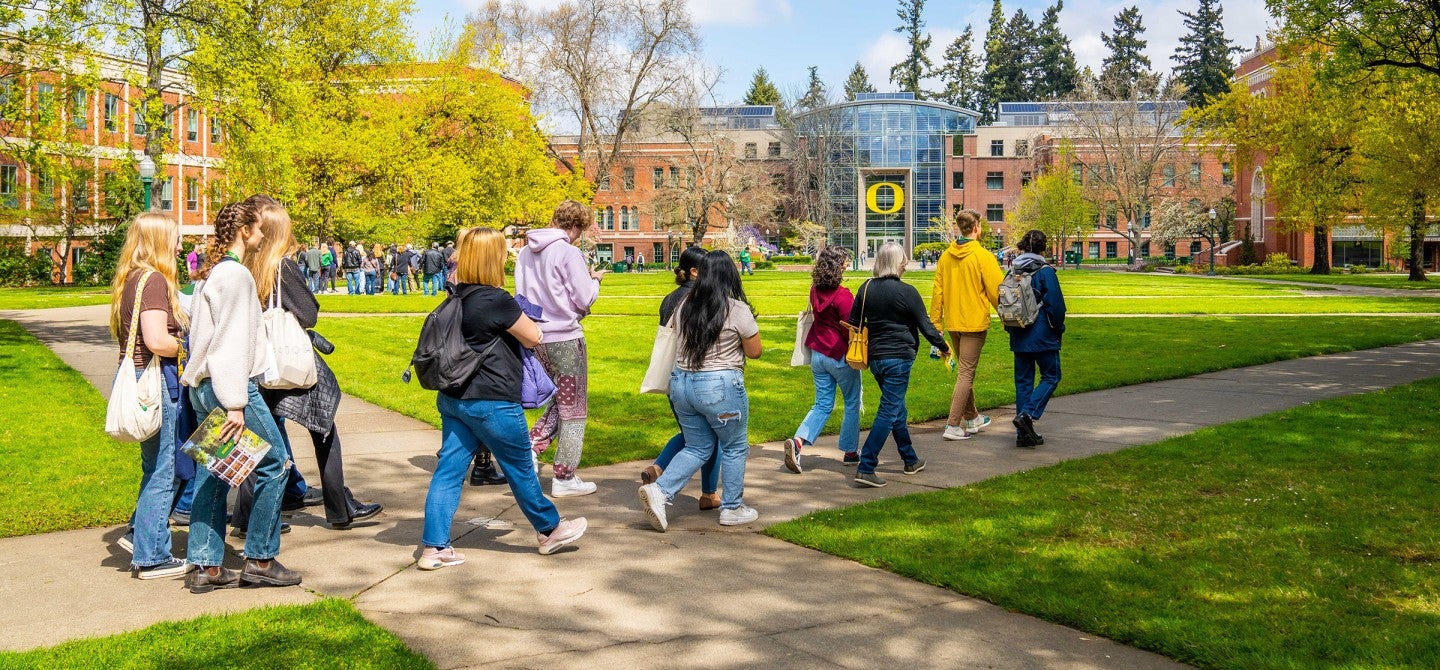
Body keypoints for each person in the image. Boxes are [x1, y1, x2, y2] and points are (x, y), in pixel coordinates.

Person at [421, 227, 588, 568]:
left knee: (449, 471)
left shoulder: (455, 297)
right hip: (492, 400)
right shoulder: (495, 300)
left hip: (454, 397)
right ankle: (550, 528)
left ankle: (434, 547)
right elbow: (534, 335)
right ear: (491, 259)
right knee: (520, 467)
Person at [235, 194, 384, 529]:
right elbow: (308, 312)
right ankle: (339, 508)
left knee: (253, 439)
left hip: (256, 364)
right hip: (286, 362)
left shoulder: (244, 266)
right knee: (324, 427)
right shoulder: (281, 267)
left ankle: (249, 515)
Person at [181, 201, 301, 593]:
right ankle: (261, 559)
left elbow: (202, 339)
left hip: (204, 385)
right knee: (275, 464)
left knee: (214, 472)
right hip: (228, 388)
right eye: (259, 229)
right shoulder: (236, 277)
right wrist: (235, 402)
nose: (264, 236)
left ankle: (206, 565)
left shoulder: (213, 274)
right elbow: (230, 344)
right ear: (245, 231)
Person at [638, 250, 762, 531]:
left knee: (698, 446)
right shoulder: (736, 309)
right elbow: (755, 351)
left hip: (682, 383)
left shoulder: (684, 306)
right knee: (734, 447)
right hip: (719, 386)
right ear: (730, 275)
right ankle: (732, 507)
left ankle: (661, 490)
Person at [109, 212, 191, 579]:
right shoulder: (154, 280)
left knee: (155, 469)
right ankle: (152, 555)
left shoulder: (131, 278)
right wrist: (189, 348)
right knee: (163, 471)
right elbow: (157, 340)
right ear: (160, 241)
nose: (180, 245)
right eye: (175, 238)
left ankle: (144, 544)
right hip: (157, 383)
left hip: (144, 379)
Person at [514, 200, 606, 498]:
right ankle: (565, 475)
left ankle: (532, 444)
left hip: (535, 335)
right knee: (573, 407)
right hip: (565, 337)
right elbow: (584, 298)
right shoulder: (568, 252)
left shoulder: (526, 252)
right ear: (576, 226)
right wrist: (595, 282)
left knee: (560, 398)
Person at [850, 243, 950, 488]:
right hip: (899, 358)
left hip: (875, 358)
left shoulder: (866, 288)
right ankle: (866, 466)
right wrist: (944, 347)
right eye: (904, 260)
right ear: (898, 263)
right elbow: (926, 327)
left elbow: (854, 322)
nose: (906, 264)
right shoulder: (908, 292)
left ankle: (910, 459)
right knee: (888, 411)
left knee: (896, 408)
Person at [637, 247, 720, 510]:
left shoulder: (669, 299)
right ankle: (708, 493)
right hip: (696, 376)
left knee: (692, 433)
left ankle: (659, 467)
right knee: (709, 438)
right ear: (695, 271)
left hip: (673, 378)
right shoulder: (699, 299)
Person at [783, 245, 862, 473]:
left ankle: (799, 441)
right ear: (838, 265)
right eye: (845, 261)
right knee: (851, 402)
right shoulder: (844, 296)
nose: (847, 264)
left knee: (823, 404)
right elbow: (851, 329)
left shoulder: (814, 290)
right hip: (839, 356)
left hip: (818, 354)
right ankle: (850, 450)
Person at [929, 209, 1003, 442]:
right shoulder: (983, 256)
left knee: (964, 371)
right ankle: (952, 425)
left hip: (954, 323)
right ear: (976, 228)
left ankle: (972, 418)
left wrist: (936, 324)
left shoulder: (945, 257)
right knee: (966, 373)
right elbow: (998, 293)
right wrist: (1011, 317)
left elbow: (937, 293)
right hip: (973, 323)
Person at [1007, 230, 1066, 448]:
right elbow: (1056, 306)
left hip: (1019, 333)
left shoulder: (1012, 271)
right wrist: (1059, 328)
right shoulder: (1045, 272)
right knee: (1051, 376)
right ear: (1043, 248)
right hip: (1043, 334)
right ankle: (1028, 415)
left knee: (1023, 382)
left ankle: (1023, 434)